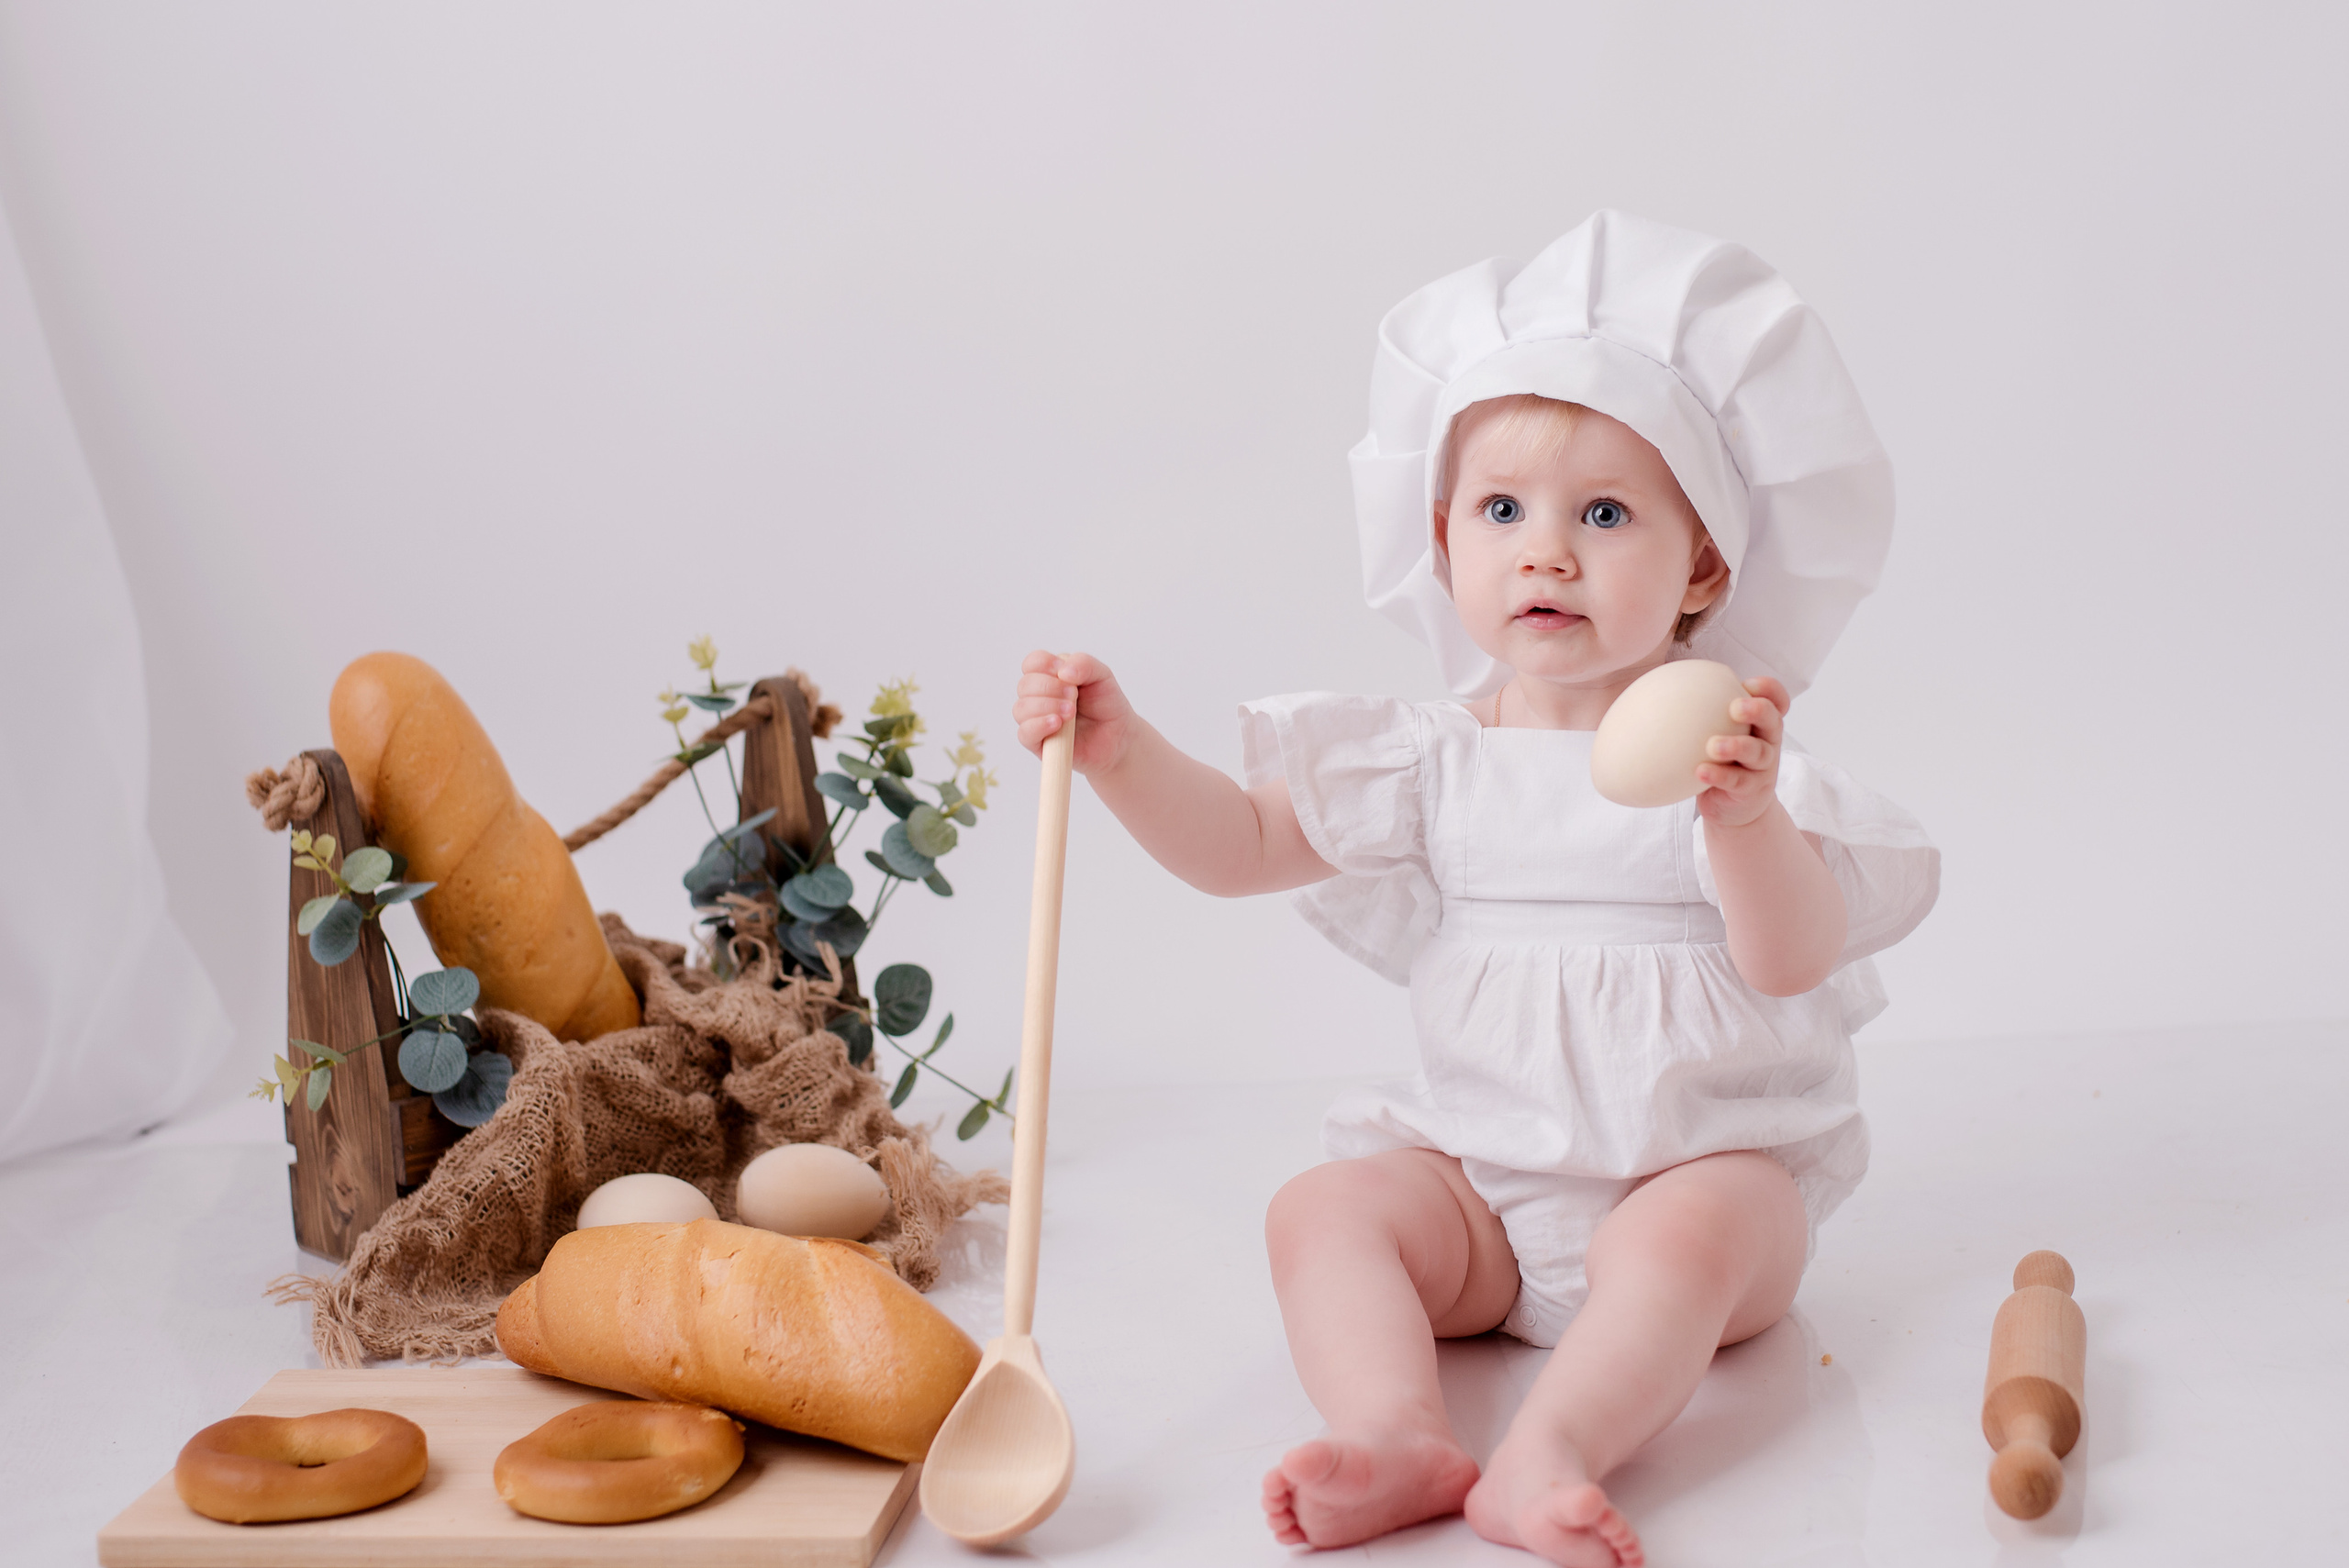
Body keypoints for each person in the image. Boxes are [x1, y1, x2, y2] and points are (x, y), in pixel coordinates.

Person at [1011, 211, 1939, 1567]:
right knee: (1321, 1209)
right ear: (1444, 540)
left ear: (1705, 564)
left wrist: (1741, 819)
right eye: (1503, 510)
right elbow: (1243, 845)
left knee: (1695, 1234)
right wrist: (1122, 752)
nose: (1545, 552)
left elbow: (1793, 954)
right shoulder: (1435, 760)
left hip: (1691, 1176)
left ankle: (1550, 1451)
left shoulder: (1721, 753)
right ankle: (1396, 1426)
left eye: (1605, 514)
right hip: (1486, 1194)